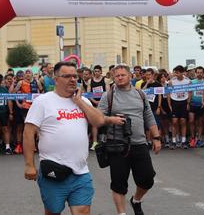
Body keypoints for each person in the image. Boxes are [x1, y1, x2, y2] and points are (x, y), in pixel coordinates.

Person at [23, 61, 105, 215]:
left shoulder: (83, 101)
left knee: (82, 211)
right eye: (67, 76)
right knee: (53, 212)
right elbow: (28, 133)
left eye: (75, 76)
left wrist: (80, 102)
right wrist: (29, 164)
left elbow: (99, 121)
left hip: (81, 172)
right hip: (53, 171)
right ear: (56, 79)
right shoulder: (43, 101)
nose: (72, 79)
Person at [98, 64, 161, 215]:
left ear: (130, 76)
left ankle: (136, 200)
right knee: (119, 183)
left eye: (122, 75)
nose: (119, 78)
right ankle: (122, 213)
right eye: (116, 75)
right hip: (117, 145)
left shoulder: (140, 94)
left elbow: (148, 116)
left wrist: (156, 137)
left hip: (139, 144)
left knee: (147, 179)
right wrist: (111, 119)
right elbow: (98, 118)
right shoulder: (109, 96)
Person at [0, 74, 14, 154]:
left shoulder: (4, 89)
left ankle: (7, 147)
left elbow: (9, 100)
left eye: (0, 81)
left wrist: (11, 112)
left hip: (2, 112)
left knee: (5, 129)